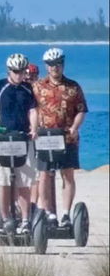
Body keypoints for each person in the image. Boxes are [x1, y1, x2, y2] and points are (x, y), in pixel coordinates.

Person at [0, 53, 41, 234]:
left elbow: (33, 111)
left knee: (24, 182)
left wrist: (34, 129)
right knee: (4, 181)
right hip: (2, 139)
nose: (19, 75)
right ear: (9, 71)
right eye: (16, 71)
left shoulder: (28, 89)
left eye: (22, 71)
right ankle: (5, 219)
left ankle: (26, 220)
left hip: (23, 139)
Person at [32, 47, 88, 227]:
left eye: (58, 64)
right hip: (45, 138)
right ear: (46, 67)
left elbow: (81, 110)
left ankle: (65, 214)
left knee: (67, 175)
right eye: (51, 65)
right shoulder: (38, 87)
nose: (55, 68)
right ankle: (48, 213)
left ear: (63, 65)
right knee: (45, 175)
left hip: (67, 138)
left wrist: (74, 127)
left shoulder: (73, 87)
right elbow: (31, 110)